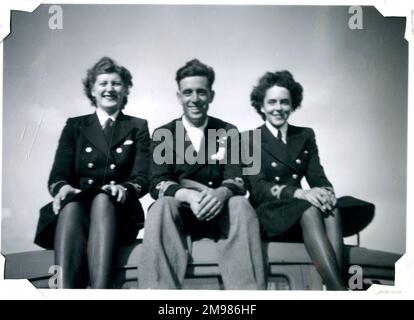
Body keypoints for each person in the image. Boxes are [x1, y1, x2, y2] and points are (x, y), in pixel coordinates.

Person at [138, 59, 266, 290]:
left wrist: (221, 193)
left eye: (201, 92)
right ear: (179, 96)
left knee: (241, 205)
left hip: (221, 214)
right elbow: (156, 182)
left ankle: (247, 294)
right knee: (161, 207)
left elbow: (238, 178)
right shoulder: (163, 133)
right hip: (182, 215)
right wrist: (186, 195)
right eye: (188, 92)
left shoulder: (228, 131)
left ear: (211, 95)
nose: (194, 99)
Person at [244, 70, 374, 290]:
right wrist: (299, 193)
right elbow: (258, 188)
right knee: (309, 208)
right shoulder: (248, 139)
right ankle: (341, 290)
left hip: (303, 214)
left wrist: (325, 193)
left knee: (331, 209)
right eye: (272, 102)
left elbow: (317, 176)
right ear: (262, 106)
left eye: (285, 102)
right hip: (271, 215)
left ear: (293, 104)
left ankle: (334, 289)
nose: (278, 108)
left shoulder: (304, 135)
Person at [34, 57, 150, 288]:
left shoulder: (138, 126)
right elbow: (58, 175)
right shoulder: (75, 126)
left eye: (116, 83)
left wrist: (123, 188)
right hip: (78, 212)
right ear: (92, 90)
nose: (109, 89)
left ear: (125, 89)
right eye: (103, 83)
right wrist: (63, 188)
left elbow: (142, 178)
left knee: (101, 200)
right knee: (72, 207)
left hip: (118, 213)